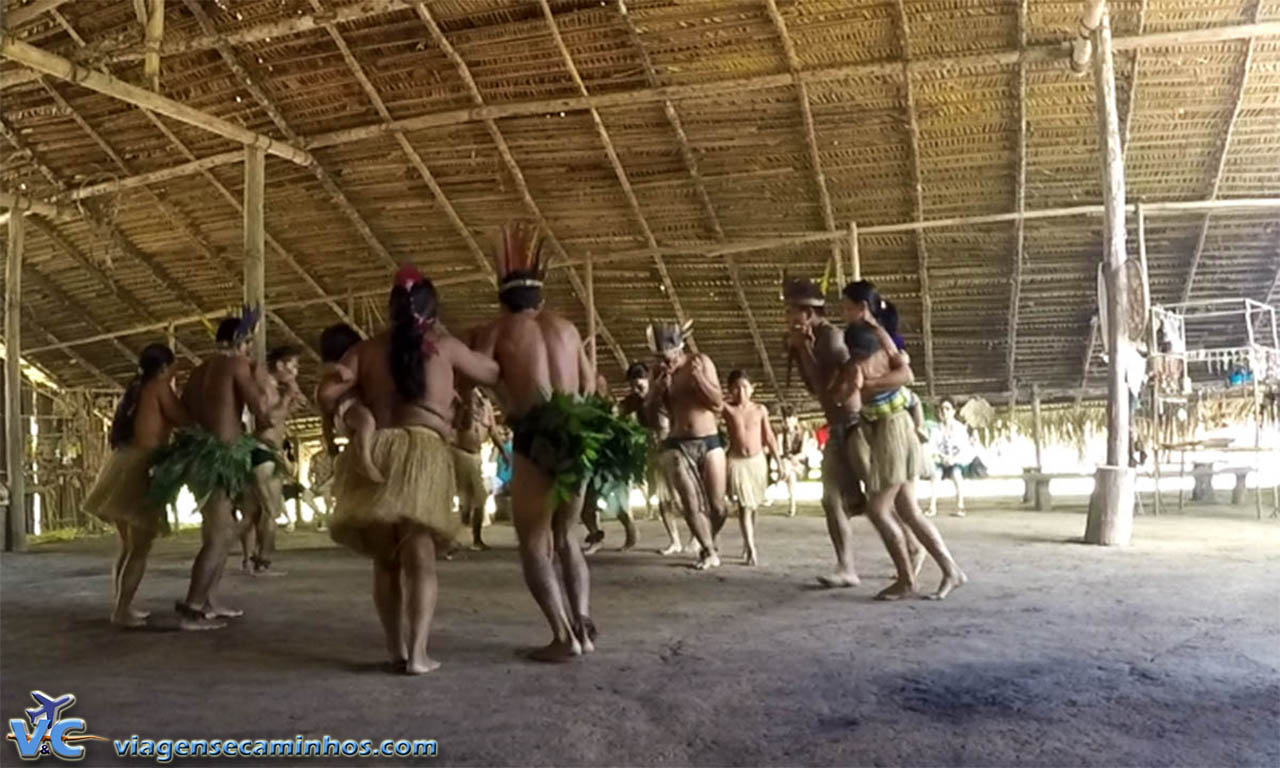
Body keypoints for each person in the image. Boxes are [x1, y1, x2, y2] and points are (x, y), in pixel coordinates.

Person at [471, 221, 645, 661]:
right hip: (577, 436)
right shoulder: (567, 329)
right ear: (541, 298)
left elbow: (476, 374)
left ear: (502, 298)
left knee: (533, 543)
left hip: (535, 438)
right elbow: (589, 386)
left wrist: (505, 397)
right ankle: (582, 621)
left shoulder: (498, 330)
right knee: (566, 537)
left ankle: (564, 638)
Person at [318, 265, 500, 674]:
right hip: (422, 451)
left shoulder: (365, 349)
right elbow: (492, 373)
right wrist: (481, 340)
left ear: (391, 309)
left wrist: (348, 392)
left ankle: (395, 650)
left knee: (386, 560)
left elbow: (329, 392)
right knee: (420, 557)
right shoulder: (446, 346)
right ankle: (418, 654)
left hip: (379, 449)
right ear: (432, 310)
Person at [149, 309, 274, 629]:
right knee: (219, 537)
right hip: (219, 458)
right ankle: (192, 608)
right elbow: (263, 413)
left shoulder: (201, 369)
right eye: (249, 342)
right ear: (242, 341)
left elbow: (187, 414)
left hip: (201, 454)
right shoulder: (237, 365)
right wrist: (265, 384)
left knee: (228, 526)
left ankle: (208, 600)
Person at [836, 323, 967, 601]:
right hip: (896, 430)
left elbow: (855, 402)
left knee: (878, 510)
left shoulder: (871, 364)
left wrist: (858, 385)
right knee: (908, 510)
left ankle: (906, 580)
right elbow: (850, 398)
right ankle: (951, 570)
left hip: (893, 432)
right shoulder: (886, 358)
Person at [84, 344, 189, 628]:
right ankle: (121, 610)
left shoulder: (137, 387)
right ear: (165, 367)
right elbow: (184, 418)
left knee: (128, 546)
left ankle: (122, 604)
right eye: (174, 365)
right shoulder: (159, 387)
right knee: (140, 547)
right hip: (139, 469)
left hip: (120, 463)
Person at [782, 278, 870, 588]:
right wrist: (800, 350)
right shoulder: (808, 340)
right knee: (830, 498)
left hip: (857, 424)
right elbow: (812, 387)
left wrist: (804, 349)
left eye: (792, 310)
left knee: (879, 498)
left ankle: (913, 547)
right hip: (836, 428)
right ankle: (846, 567)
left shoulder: (831, 339)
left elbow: (829, 387)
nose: (788, 317)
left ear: (807, 313)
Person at [647, 320, 727, 570]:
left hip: (709, 439)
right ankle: (708, 550)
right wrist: (657, 392)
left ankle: (708, 539)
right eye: (659, 356)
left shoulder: (700, 362)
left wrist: (699, 379)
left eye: (667, 355)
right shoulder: (658, 373)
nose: (664, 361)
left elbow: (717, 404)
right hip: (678, 442)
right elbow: (650, 415)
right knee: (690, 502)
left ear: (679, 348)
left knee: (718, 506)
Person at [240, 345, 306, 576]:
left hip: (258, 452)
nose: (296, 371)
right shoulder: (268, 387)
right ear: (280, 365)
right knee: (272, 512)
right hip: (264, 452)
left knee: (251, 513)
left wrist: (290, 394)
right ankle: (262, 562)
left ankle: (247, 560)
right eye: (294, 365)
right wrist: (288, 395)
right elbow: (268, 420)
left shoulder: (271, 385)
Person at [842, 280, 928, 441]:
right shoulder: (856, 335)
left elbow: (906, 375)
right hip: (883, 404)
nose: (844, 315)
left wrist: (869, 385)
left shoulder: (880, 335)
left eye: (848, 309)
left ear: (862, 308)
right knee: (914, 400)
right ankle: (920, 427)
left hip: (875, 408)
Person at [619, 362, 686, 552]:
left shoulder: (663, 396)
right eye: (632, 386)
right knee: (663, 499)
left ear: (648, 380)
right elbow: (618, 410)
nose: (636, 390)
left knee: (681, 499)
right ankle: (675, 541)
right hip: (653, 454)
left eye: (639, 386)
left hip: (673, 450)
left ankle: (697, 538)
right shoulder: (635, 401)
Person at [722, 369, 781, 565]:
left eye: (745, 387)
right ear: (730, 390)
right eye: (736, 388)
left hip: (757, 462)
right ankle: (752, 547)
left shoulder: (760, 410)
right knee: (745, 506)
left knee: (753, 505)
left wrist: (778, 462)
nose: (741, 392)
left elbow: (769, 437)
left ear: (752, 389)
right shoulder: (727, 409)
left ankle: (748, 544)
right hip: (737, 462)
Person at [581, 373, 639, 554]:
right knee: (587, 507)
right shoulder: (585, 408)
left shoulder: (615, 408)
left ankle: (632, 535)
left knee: (617, 504)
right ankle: (596, 537)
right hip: (593, 462)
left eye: (600, 385)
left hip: (612, 465)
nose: (597, 388)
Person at [452, 388, 505, 550]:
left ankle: (476, 538)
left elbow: (493, 432)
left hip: (476, 456)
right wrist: (467, 405)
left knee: (479, 499)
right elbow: (458, 425)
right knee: (464, 500)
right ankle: (456, 538)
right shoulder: (459, 403)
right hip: (460, 453)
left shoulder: (486, 406)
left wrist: (504, 452)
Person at [930, 397, 976, 517]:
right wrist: (942, 457)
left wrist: (953, 459)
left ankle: (960, 507)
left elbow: (964, 449)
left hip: (956, 461)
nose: (944, 411)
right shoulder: (936, 429)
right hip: (941, 460)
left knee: (957, 475)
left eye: (947, 409)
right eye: (942, 409)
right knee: (936, 475)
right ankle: (932, 507)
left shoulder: (960, 429)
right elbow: (932, 447)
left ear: (953, 411)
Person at [776, 404, 806, 516]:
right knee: (791, 476)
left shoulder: (803, 434)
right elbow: (780, 452)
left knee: (789, 471)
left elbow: (803, 454)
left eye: (790, 418)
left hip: (799, 464)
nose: (788, 421)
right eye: (786, 419)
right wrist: (787, 460)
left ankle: (774, 487)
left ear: (795, 419)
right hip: (786, 465)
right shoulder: (780, 435)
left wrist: (794, 458)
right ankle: (792, 506)